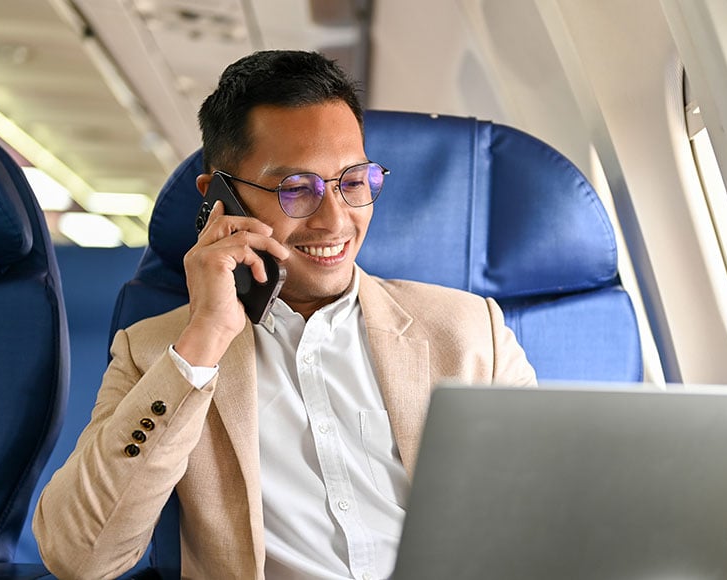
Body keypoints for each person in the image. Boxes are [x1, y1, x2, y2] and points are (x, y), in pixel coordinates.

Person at [33, 50, 536, 580]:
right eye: (297, 189)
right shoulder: (156, 352)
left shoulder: (471, 330)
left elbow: (548, 517)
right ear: (218, 201)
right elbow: (80, 558)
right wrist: (204, 340)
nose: (336, 220)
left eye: (354, 180)